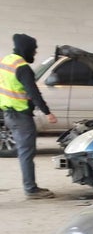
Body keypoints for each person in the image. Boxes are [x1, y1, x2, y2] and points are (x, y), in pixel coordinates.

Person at [0, 33, 58, 199]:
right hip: (21, 116)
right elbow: (34, 92)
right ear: (27, 49)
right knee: (26, 153)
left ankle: (30, 187)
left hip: (8, 114)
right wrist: (47, 113)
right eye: (34, 50)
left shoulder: (5, 61)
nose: (34, 53)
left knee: (23, 152)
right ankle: (31, 189)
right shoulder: (22, 67)